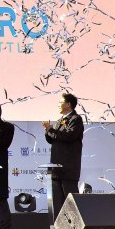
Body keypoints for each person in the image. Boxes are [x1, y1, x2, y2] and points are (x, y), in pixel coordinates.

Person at [42, 93, 84, 221]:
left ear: (68, 104)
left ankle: (75, 227)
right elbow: (52, 140)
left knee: (70, 200)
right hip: (56, 167)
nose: (58, 104)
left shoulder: (76, 119)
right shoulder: (60, 120)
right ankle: (58, 228)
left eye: (61, 102)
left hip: (68, 167)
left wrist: (51, 130)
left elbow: (68, 136)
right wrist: (48, 130)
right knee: (57, 201)